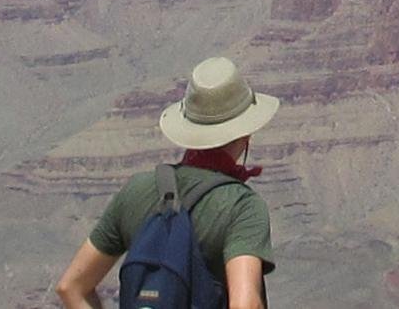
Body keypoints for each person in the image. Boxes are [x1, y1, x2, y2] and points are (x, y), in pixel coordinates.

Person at [50, 56, 280, 309]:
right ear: (246, 132)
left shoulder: (136, 191)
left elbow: (71, 287)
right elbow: (245, 305)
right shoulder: (242, 206)